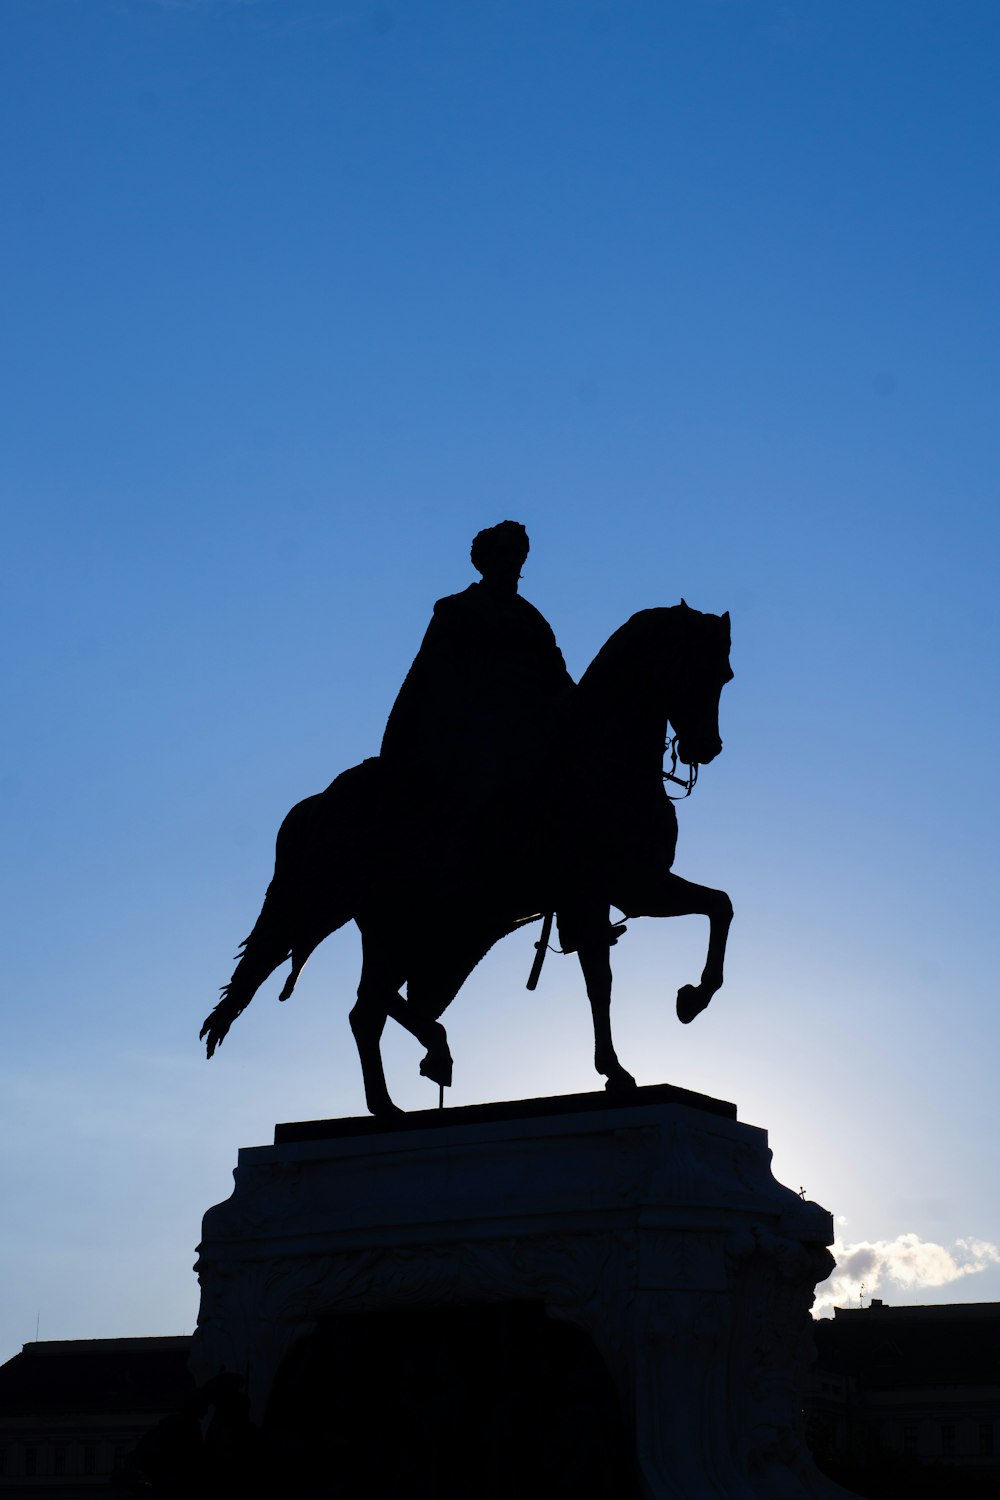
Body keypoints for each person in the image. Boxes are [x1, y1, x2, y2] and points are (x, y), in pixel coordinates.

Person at [379, 521, 574, 839]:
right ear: (486, 558)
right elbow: (439, 677)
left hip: (530, 728)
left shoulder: (533, 620)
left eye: (519, 554)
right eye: (505, 552)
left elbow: (558, 677)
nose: (512, 560)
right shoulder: (458, 610)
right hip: (474, 731)